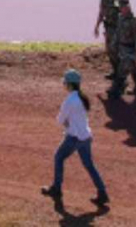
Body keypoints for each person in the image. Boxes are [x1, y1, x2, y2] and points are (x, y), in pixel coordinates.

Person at [40, 69, 111, 207]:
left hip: (73, 138)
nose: (64, 85)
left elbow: (60, 120)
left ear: (70, 85)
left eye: (65, 83)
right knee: (89, 165)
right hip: (85, 137)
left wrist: (67, 123)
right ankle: (102, 193)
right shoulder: (82, 98)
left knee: (58, 157)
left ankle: (57, 189)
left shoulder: (69, 100)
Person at [110, 0, 136, 97]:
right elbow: (118, 33)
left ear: (127, 7)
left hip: (130, 49)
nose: (120, 9)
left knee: (123, 70)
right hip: (122, 48)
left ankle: (116, 90)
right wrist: (114, 44)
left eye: (121, 7)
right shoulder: (121, 18)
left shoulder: (135, 21)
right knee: (133, 69)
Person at [93, 0, 120, 80]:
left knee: (115, 50)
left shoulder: (116, 0)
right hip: (108, 27)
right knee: (109, 50)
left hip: (115, 28)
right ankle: (115, 71)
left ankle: (119, 73)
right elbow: (101, 13)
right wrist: (97, 26)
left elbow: (121, 13)